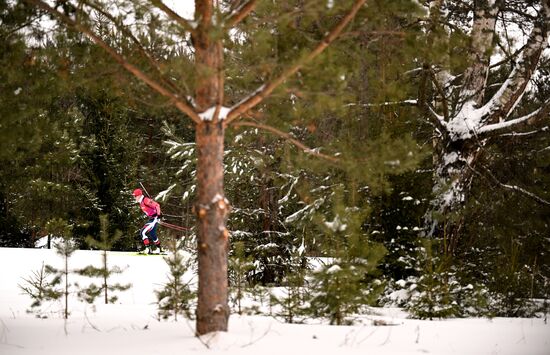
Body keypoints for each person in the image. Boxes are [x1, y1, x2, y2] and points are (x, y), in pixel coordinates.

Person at [133, 188, 162, 254]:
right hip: (152, 218)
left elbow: (157, 205)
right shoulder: (141, 202)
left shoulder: (145, 200)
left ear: (139, 195)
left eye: (135, 196)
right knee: (152, 234)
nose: (134, 197)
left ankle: (148, 249)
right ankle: (159, 249)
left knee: (142, 232)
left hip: (154, 218)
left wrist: (158, 215)